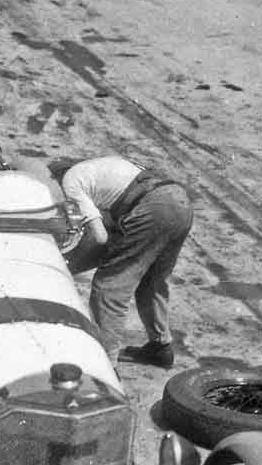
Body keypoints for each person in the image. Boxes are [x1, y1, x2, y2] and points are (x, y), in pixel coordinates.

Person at [60, 155, 194, 368]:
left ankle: (106, 365)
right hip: (179, 202)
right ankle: (160, 348)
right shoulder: (99, 169)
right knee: (152, 281)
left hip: (153, 207)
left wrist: (66, 265)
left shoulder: (70, 181)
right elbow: (116, 225)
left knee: (109, 287)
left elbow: (101, 237)